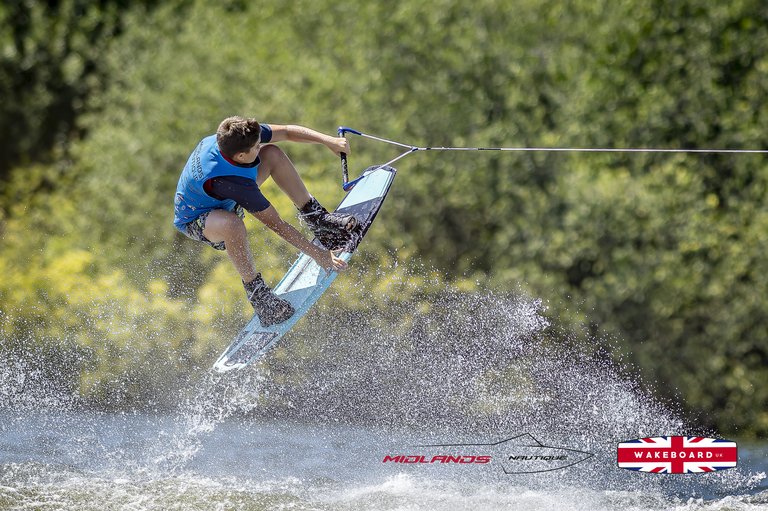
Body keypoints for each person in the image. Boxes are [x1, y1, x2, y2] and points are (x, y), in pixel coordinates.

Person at [173, 116, 358, 326]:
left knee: (272, 153)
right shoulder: (232, 182)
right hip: (199, 219)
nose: (259, 146)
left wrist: (328, 141)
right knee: (232, 224)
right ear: (241, 155)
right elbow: (276, 224)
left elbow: (287, 132)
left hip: (224, 199)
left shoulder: (239, 134)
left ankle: (317, 219)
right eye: (255, 147)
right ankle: (258, 295)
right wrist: (318, 255)